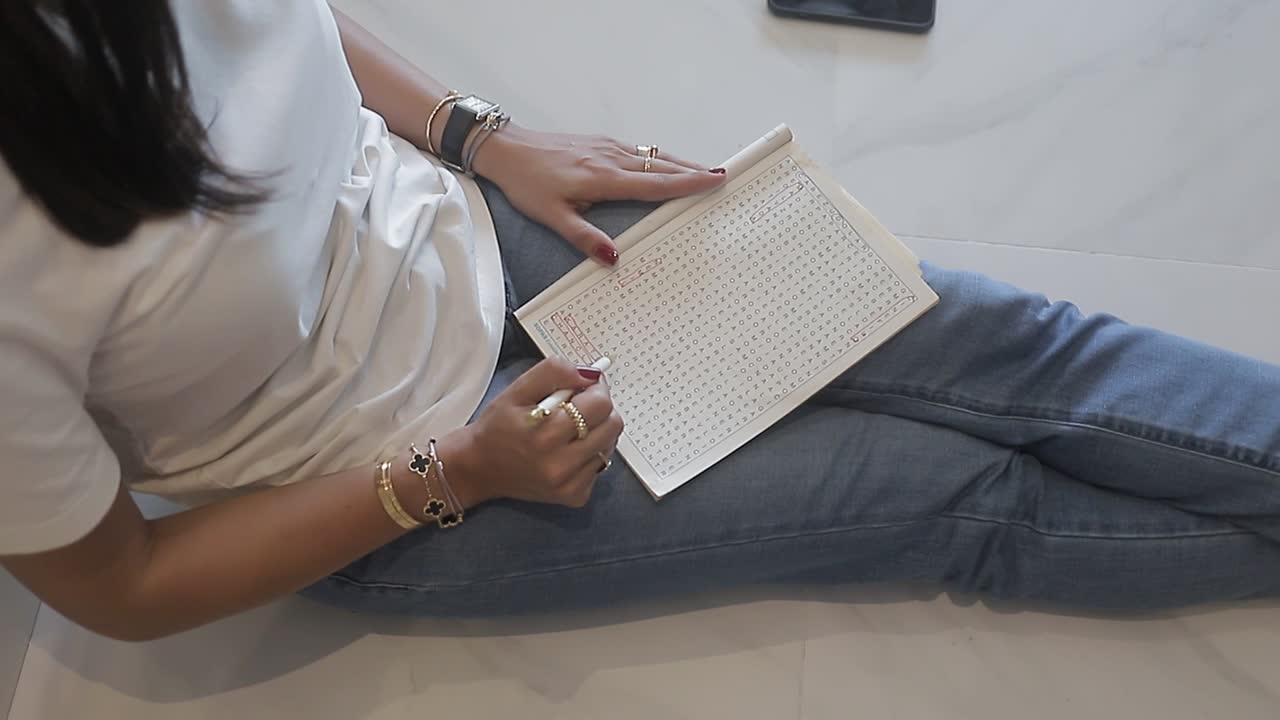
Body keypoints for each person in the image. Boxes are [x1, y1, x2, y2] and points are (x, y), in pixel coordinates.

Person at [1, 1, 1277, 643]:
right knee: (963, 499)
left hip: (475, 231)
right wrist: (458, 471)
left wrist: (477, 137)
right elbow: (122, 584)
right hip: (380, 481)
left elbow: (297, 28)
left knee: (1005, 340)